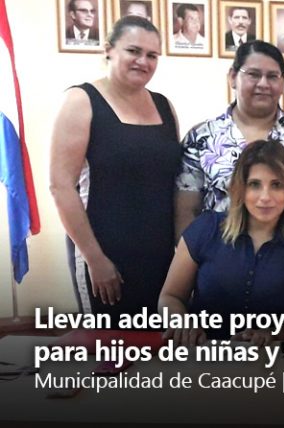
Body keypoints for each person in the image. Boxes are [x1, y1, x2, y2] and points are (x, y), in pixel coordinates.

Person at [50, 16, 181, 321]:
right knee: (108, 343)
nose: (143, 61)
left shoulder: (164, 106)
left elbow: (173, 183)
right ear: (109, 50)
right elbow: (60, 186)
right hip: (104, 256)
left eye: (152, 55)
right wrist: (95, 259)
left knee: (157, 340)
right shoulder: (81, 101)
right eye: (133, 51)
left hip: (160, 254)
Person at [175, 41, 284, 255]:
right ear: (232, 77)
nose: (263, 84)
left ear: (283, 83)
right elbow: (186, 212)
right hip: (215, 265)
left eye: (272, 76)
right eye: (253, 74)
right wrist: (198, 265)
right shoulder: (201, 138)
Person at [160, 140, 284, 345]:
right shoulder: (206, 228)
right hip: (201, 355)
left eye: (276, 185)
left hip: (269, 360)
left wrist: (273, 335)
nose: (265, 197)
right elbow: (170, 297)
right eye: (254, 184)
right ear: (240, 189)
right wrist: (182, 323)